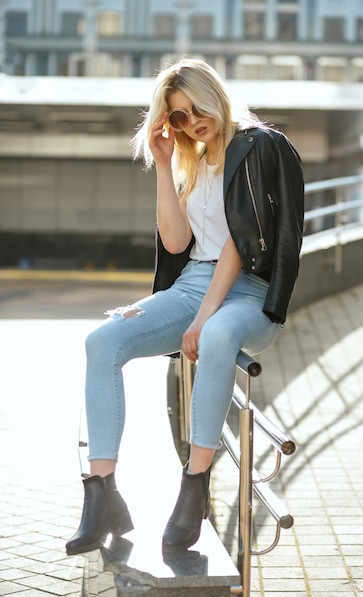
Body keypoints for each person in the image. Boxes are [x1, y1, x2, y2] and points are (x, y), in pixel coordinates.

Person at [65, 58, 304, 556]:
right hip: (194, 284)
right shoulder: (192, 160)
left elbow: (241, 243)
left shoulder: (258, 146)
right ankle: (102, 493)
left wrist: (201, 319)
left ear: (215, 95)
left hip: (250, 293)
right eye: (177, 116)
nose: (191, 121)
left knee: (215, 336)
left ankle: (194, 486)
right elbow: (176, 244)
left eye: (197, 108)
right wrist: (165, 163)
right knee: (102, 341)